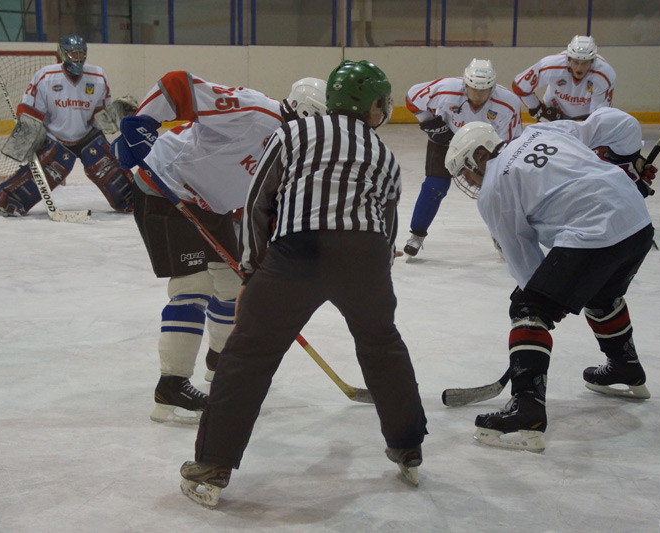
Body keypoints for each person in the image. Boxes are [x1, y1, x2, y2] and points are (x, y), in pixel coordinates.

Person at [179, 59, 428, 507]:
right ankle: (408, 444)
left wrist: (252, 271)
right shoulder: (384, 155)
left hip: (298, 253)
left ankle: (214, 463)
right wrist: (374, 287)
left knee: (248, 354)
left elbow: (258, 201)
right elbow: (388, 228)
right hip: (365, 256)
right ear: (371, 106)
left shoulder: (293, 133)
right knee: (382, 345)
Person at [111, 72, 328, 425]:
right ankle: (171, 386)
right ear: (307, 113)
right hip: (168, 187)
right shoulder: (255, 111)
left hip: (213, 207)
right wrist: (142, 123)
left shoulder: (296, 149)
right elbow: (179, 85)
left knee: (232, 284)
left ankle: (219, 362)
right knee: (192, 287)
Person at [443, 107, 658, 453]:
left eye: (466, 172)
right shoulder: (542, 132)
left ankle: (526, 407)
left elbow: (523, 260)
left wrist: (540, 305)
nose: (469, 181)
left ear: (480, 155)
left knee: (528, 309)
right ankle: (624, 367)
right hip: (636, 221)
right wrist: (627, 161)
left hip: (593, 234)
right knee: (601, 295)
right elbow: (619, 123)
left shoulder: (494, 188)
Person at [0, 34, 137, 216]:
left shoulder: (98, 76)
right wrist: (28, 136)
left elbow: (99, 116)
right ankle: (8, 199)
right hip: (55, 137)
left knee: (105, 165)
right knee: (50, 170)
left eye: (81, 53)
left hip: (88, 135)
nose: (78, 58)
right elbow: (30, 110)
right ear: (62, 54)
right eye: (73, 54)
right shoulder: (46, 76)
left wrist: (116, 114)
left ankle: (132, 199)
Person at [403, 58, 523, 257]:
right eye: (473, 89)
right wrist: (431, 123)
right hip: (446, 141)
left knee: (494, 190)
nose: (477, 95)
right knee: (434, 186)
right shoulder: (446, 90)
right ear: (465, 84)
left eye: (483, 90)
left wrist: (496, 168)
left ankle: (501, 235)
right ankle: (416, 235)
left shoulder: (508, 103)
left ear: (493, 87)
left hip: (483, 149)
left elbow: (511, 141)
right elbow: (411, 98)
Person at [512, 35, 616, 123]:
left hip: (586, 117)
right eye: (576, 62)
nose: (579, 68)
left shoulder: (604, 75)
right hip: (553, 113)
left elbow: (599, 116)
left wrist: (586, 128)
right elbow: (519, 86)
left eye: (585, 63)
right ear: (568, 58)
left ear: (593, 61)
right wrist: (538, 109)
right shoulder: (550, 65)